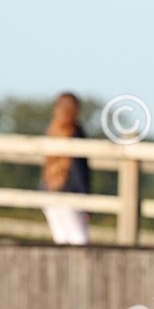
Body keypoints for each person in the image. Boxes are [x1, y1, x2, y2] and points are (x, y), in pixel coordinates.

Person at [40, 92, 90, 245]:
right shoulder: (76, 133)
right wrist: (86, 200)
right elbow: (78, 171)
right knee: (81, 241)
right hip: (71, 196)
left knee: (61, 241)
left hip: (50, 193)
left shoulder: (51, 131)